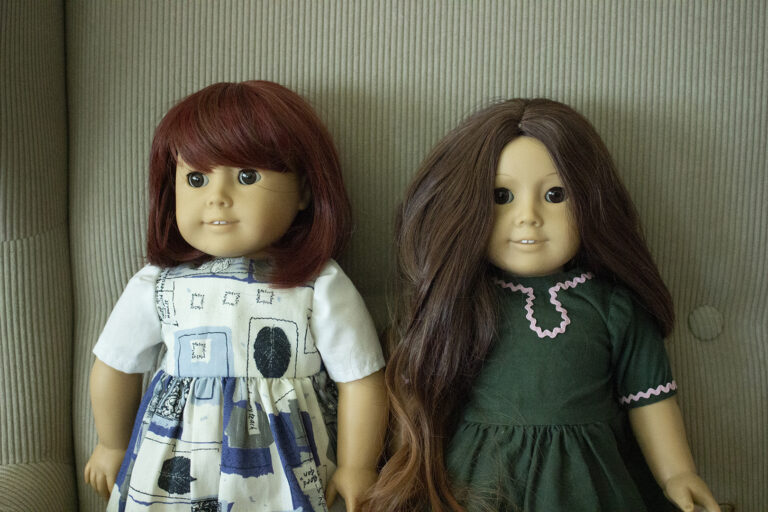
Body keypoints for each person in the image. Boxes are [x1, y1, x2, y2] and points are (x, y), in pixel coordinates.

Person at [365, 99, 719, 511]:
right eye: (502, 196)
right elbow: (421, 397)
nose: (528, 216)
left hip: (586, 486)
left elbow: (650, 402)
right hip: (478, 487)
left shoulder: (614, 309)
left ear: (591, 202)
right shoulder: (460, 303)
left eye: (555, 195)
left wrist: (678, 473)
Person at [84, 80, 387, 512]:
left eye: (247, 177)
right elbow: (115, 365)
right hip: (173, 471)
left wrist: (358, 465)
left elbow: (360, 378)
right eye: (196, 179)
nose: (217, 198)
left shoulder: (319, 284)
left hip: (283, 472)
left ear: (303, 191)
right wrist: (112, 443)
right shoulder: (159, 283)